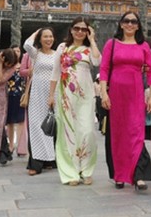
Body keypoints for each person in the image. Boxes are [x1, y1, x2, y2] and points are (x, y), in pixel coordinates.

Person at [99, 11, 151, 191]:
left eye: (134, 21)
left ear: (138, 25)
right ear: (121, 24)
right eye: (127, 21)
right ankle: (120, 175)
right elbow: (104, 69)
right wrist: (104, 93)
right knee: (118, 135)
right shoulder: (112, 44)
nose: (130, 24)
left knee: (136, 133)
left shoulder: (144, 46)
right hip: (116, 93)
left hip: (136, 93)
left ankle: (138, 175)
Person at [46, 17, 101, 186]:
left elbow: (98, 61)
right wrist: (51, 95)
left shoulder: (88, 49)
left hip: (86, 98)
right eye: (76, 28)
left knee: (88, 132)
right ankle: (70, 172)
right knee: (68, 134)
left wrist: (92, 40)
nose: (79, 32)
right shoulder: (63, 48)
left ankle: (86, 169)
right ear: (71, 30)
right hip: (66, 97)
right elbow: (55, 72)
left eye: (84, 29)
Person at [23, 27, 57, 175]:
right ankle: (35, 163)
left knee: (50, 127)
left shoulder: (57, 55)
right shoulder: (35, 53)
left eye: (50, 36)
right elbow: (26, 44)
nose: (48, 39)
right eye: (45, 37)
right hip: (37, 94)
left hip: (53, 93)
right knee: (36, 126)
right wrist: (37, 31)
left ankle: (50, 160)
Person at [6, 45, 25, 156]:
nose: (17, 53)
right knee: (10, 122)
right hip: (9, 94)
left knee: (21, 120)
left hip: (21, 95)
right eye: (14, 51)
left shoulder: (23, 65)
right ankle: (11, 144)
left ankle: (19, 145)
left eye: (18, 51)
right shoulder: (7, 66)